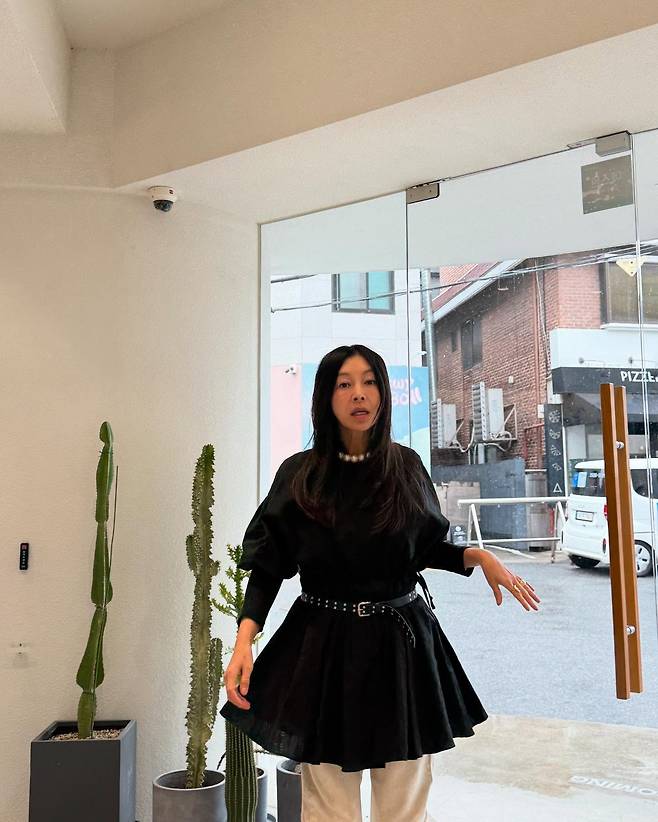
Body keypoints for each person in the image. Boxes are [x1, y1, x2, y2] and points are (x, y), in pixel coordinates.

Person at [219, 343, 541, 822]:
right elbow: (269, 566)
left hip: (400, 647)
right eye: (345, 384)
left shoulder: (405, 467)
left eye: (369, 382)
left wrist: (476, 556)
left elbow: (424, 549)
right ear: (325, 396)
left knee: (403, 801)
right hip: (324, 647)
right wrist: (244, 641)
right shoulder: (300, 475)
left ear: (384, 394)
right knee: (329, 805)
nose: (359, 394)